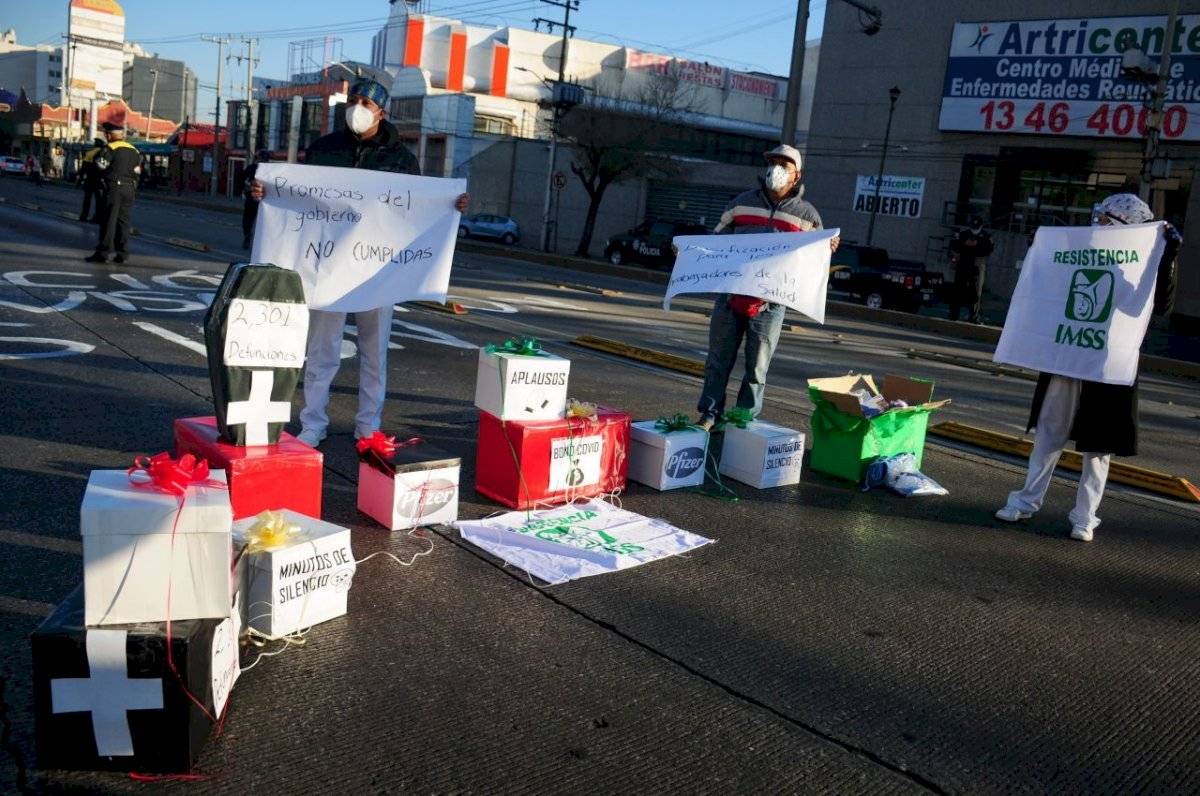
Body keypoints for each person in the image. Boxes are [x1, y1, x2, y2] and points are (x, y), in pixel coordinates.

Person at [250, 77, 469, 448]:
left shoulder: (400, 158)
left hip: (379, 272)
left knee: (374, 353)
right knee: (321, 351)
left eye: (367, 102)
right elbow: (298, 195)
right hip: (328, 268)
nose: (358, 107)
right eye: (354, 100)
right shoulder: (324, 149)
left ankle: (368, 425)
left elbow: (416, 210)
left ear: (381, 112)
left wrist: (451, 206)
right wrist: (265, 192)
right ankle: (313, 423)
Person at [994, 193, 1180, 542]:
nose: (1099, 224)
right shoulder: (1081, 251)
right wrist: (1040, 246)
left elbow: (1158, 306)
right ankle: (1026, 501)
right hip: (1066, 358)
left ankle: (1085, 516)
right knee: (1050, 433)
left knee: (1098, 447)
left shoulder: (1140, 263)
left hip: (1106, 364)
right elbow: (1046, 285)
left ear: (1127, 227)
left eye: (1107, 219)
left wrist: (1167, 257)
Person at [695, 144, 839, 430]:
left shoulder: (808, 216)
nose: (776, 169)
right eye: (773, 162)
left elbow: (814, 261)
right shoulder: (740, 203)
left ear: (796, 175)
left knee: (757, 368)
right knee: (717, 362)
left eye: (784, 165)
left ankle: (742, 420)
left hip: (770, 305)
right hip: (730, 297)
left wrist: (829, 248)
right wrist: (690, 253)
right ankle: (709, 415)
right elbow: (715, 242)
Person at [84, 122, 142, 265]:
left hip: (113, 188)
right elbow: (138, 172)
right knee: (124, 222)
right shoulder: (134, 150)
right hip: (129, 189)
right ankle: (122, 253)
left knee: (108, 220)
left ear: (109, 135)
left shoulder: (110, 148)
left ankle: (103, 253)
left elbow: (100, 166)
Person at [947, 215, 994, 323]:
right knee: (958, 289)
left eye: (976, 227)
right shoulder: (963, 234)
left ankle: (973, 316)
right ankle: (953, 314)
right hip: (963, 264)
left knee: (976, 292)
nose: (974, 230)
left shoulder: (986, 236)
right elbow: (954, 246)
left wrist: (976, 245)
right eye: (973, 227)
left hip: (977, 265)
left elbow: (988, 251)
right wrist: (965, 244)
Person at [241, 148, 270, 249]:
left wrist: (244, 189)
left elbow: (242, 180)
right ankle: (253, 238)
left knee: (248, 219)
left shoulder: (252, 168)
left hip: (253, 197)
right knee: (262, 221)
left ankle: (247, 236)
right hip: (264, 199)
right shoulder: (270, 170)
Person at [77, 137, 106, 223]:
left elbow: (84, 168)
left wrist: (80, 179)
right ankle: (97, 218)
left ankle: (83, 216)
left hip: (89, 180)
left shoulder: (89, 153)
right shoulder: (104, 153)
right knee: (99, 201)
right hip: (99, 181)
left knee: (87, 200)